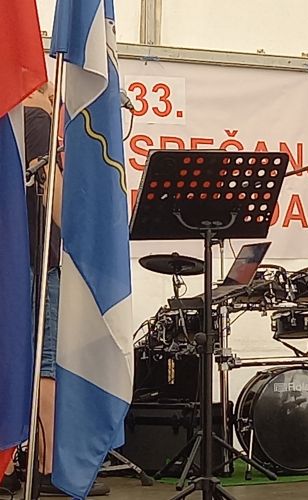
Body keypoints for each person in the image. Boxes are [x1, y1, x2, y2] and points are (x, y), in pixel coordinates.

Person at [0, 84, 109, 496]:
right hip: (36, 260)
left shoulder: (8, 125)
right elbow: (57, 198)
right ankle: (49, 468)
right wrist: (91, 234)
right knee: (46, 360)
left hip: (12, 260)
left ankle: (11, 463)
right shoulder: (38, 121)